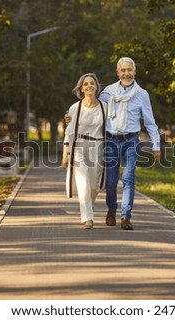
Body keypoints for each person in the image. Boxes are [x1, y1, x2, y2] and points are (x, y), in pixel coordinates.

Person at [65, 57, 160, 230]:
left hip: (131, 140)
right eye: (123, 70)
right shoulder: (108, 93)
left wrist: (156, 145)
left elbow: (150, 122)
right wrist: (71, 117)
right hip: (110, 140)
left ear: (134, 71)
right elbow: (93, 110)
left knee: (129, 178)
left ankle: (126, 216)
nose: (126, 73)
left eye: (129, 70)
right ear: (117, 72)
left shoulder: (142, 94)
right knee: (111, 180)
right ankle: (112, 210)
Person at [62, 73, 106, 229]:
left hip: (98, 147)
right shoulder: (76, 107)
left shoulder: (103, 106)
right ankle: (87, 218)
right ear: (81, 88)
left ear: (96, 86)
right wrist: (65, 154)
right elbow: (69, 131)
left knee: (95, 187)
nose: (89, 86)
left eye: (92, 83)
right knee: (83, 183)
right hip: (79, 146)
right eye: (86, 84)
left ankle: (89, 210)